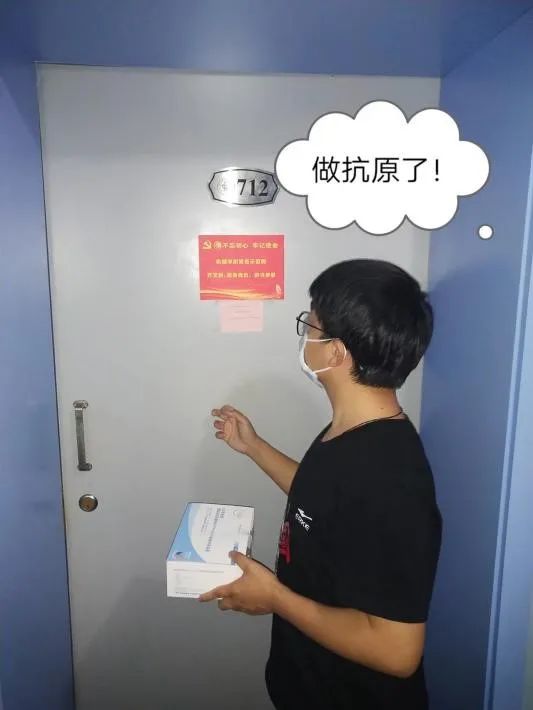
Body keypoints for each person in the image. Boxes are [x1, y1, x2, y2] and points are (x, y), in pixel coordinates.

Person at [199, 259, 442, 710]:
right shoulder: (352, 430)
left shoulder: (393, 480)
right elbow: (328, 503)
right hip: (308, 680)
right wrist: (254, 447)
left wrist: (275, 597)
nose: (304, 336)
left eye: (310, 325)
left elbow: (397, 653)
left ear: (335, 352)